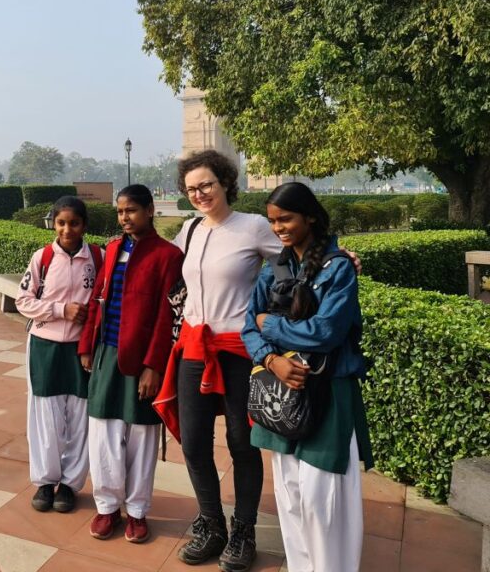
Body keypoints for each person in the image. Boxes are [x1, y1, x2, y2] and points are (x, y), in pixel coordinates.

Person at [154, 150, 283, 571]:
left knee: (242, 444)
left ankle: (243, 530)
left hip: (238, 352)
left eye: (207, 184)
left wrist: (338, 259)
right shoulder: (189, 230)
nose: (200, 193)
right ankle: (212, 524)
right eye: (192, 188)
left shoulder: (253, 227)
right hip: (194, 348)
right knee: (193, 441)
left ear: (226, 182)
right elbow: (161, 265)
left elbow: (298, 258)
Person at [241, 182, 372, 572]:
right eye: (272, 221)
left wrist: (272, 326)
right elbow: (248, 326)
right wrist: (271, 361)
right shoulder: (274, 269)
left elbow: (326, 333)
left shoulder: (339, 268)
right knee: (291, 495)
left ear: (310, 216)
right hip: (284, 395)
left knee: (325, 500)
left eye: (286, 219)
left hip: (328, 394)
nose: (278, 227)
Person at [78, 185, 183, 543]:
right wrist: (86, 345)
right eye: (121, 211)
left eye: (132, 211)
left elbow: (167, 313)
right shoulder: (111, 249)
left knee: (141, 435)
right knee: (103, 433)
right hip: (107, 350)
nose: (125, 218)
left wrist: (154, 365)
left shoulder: (168, 255)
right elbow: (98, 300)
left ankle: (137, 511)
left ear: (150, 210)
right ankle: (107, 506)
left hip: (143, 358)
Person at [15, 196, 100, 514]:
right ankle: (45, 481)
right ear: (54, 223)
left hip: (82, 350)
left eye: (74, 223)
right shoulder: (43, 257)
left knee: (80, 416)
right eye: (61, 223)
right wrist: (60, 310)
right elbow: (23, 300)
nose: (67, 229)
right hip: (45, 347)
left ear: (84, 226)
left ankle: (69, 484)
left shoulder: (97, 258)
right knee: (45, 416)